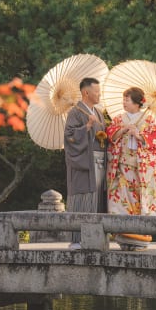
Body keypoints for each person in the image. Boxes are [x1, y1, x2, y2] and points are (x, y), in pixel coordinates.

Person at [104, 87, 156, 249]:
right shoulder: (118, 119)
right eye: (123, 99)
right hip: (122, 166)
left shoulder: (149, 120)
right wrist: (123, 129)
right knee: (121, 196)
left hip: (140, 168)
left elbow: (155, 141)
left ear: (137, 103)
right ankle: (122, 231)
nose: (124, 103)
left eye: (127, 100)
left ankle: (139, 234)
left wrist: (139, 135)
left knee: (139, 197)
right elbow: (110, 134)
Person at [63, 77, 107, 249]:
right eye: (97, 91)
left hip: (99, 162)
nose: (99, 94)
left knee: (97, 200)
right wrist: (87, 127)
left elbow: (103, 135)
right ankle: (76, 240)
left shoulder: (98, 112)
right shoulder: (75, 112)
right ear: (86, 92)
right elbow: (69, 137)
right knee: (81, 200)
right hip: (83, 164)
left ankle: (95, 237)